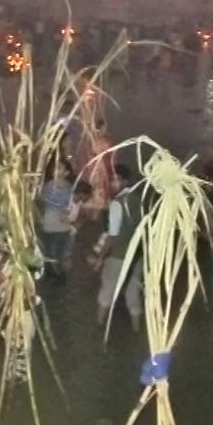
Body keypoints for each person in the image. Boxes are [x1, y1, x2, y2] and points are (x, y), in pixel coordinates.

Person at [97, 164, 143, 333]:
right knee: (133, 293)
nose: (112, 183)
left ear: (125, 181)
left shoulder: (117, 204)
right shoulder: (137, 200)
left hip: (118, 256)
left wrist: (100, 257)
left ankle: (99, 325)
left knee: (106, 291)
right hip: (136, 255)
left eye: (116, 180)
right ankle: (136, 330)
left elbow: (112, 235)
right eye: (111, 179)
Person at [39, 159, 76, 278]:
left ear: (66, 172)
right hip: (47, 226)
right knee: (48, 254)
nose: (56, 171)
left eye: (59, 168)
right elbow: (42, 202)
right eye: (54, 168)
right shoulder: (48, 185)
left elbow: (68, 206)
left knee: (56, 255)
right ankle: (52, 278)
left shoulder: (68, 188)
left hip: (60, 227)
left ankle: (58, 278)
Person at [76, 119, 114, 220]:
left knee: (98, 194)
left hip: (98, 175)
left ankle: (95, 216)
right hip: (95, 175)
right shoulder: (89, 143)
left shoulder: (92, 143)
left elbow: (111, 160)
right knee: (95, 194)